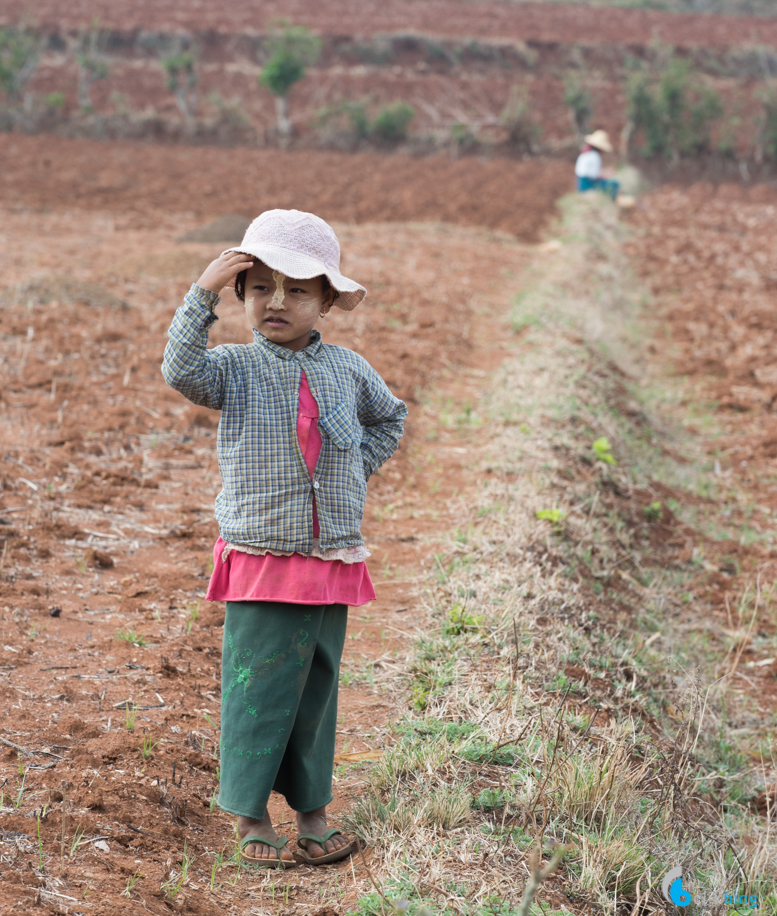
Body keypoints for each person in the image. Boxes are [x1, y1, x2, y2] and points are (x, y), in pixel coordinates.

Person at [161, 209, 407, 869]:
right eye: (260, 286)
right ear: (241, 296)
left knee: (314, 691)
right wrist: (200, 292)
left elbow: (390, 417)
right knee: (258, 685)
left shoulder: (350, 371)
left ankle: (313, 813)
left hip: (330, 555)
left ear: (326, 300)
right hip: (262, 555)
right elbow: (178, 369)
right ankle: (249, 815)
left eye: (297, 289)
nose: (276, 301)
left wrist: (352, 469)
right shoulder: (232, 369)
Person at [575, 129, 620, 201]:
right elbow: (595, 176)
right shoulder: (595, 156)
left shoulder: (585, 153)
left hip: (580, 185)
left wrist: (605, 172)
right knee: (615, 184)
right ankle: (612, 203)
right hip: (588, 186)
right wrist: (607, 173)